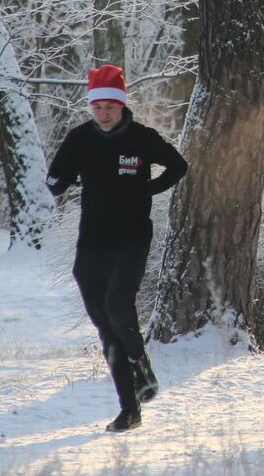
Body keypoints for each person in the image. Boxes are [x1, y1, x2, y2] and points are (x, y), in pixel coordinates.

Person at [46, 64, 188, 433]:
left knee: (117, 306)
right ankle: (130, 409)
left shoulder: (141, 138)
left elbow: (178, 165)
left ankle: (140, 361)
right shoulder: (81, 138)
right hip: (91, 243)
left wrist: (148, 190)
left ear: (122, 106)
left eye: (111, 106)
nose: (104, 114)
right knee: (106, 329)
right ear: (91, 108)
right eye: (98, 108)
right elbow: (54, 178)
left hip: (132, 239)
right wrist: (59, 181)